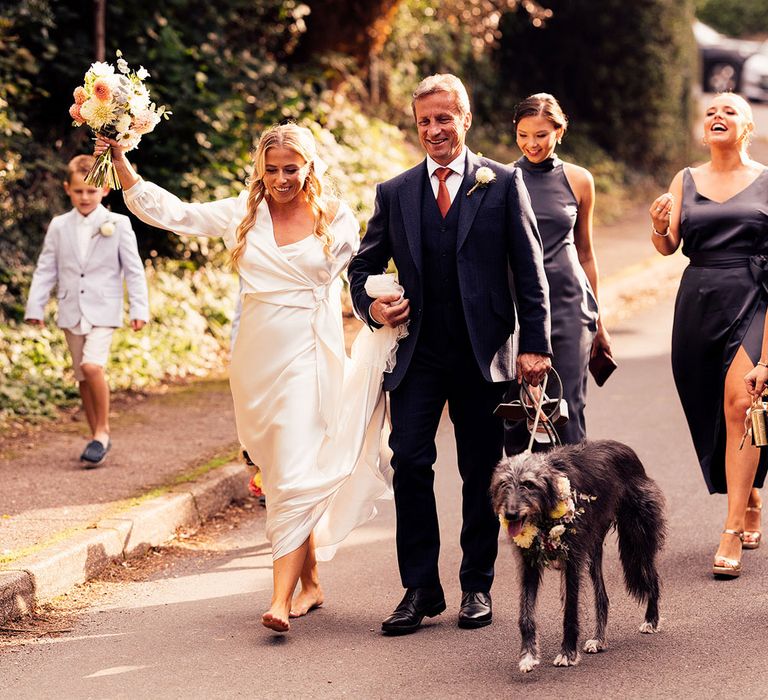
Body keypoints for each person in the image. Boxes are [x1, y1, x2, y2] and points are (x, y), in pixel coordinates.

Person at [95, 123, 392, 632]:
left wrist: (382, 306)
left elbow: (360, 278)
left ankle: (279, 600)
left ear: (310, 167)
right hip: (255, 357)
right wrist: (122, 163)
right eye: (272, 169)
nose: (281, 179)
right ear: (261, 169)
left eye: (291, 169)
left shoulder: (335, 217)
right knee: (279, 473)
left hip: (309, 353)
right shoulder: (242, 212)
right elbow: (175, 213)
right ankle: (312, 584)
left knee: (297, 469)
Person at [348, 73, 552, 635]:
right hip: (417, 354)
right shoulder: (395, 192)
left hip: (481, 353)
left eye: (444, 119)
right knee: (410, 461)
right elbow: (361, 268)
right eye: (424, 122)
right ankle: (419, 588)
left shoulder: (503, 183)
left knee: (477, 471)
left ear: (465, 119)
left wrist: (534, 345)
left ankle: (476, 586)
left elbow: (531, 272)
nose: (434, 130)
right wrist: (373, 310)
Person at [649, 92, 767, 578]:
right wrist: (658, 227)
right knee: (709, 409)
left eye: (729, 111)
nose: (718, 116)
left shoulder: (766, 181)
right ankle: (751, 491)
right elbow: (668, 246)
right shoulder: (684, 179)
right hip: (696, 302)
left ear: (747, 126)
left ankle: (732, 528)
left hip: (754, 296)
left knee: (742, 405)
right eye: (711, 112)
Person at [24, 154, 149, 467]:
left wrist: (139, 307)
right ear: (68, 189)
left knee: (93, 366)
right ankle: (95, 435)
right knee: (81, 374)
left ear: (105, 190)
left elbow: (133, 270)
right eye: (79, 191)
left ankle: (103, 432)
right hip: (70, 309)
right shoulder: (59, 225)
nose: (85, 197)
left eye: (91, 191)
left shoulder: (117, 224)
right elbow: (46, 268)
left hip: (104, 309)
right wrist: (35, 306)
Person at [504, 93, 611, 452]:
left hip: (569, 303)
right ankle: (520, 504)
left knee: (568, 409)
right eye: (523, 134)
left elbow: (586, 254)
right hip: (517, 306)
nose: (531, 143)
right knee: (516, 413)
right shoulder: (501, 179)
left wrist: (598, 320)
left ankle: (575, 500)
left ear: (559, 132)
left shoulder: (580, 180)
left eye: (541, 135)